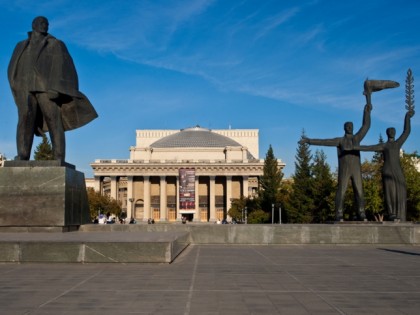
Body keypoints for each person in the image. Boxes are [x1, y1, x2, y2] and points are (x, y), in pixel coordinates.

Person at [8, 16, 97, 162]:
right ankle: (22, 154)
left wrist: (57, 87)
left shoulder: (55, 44)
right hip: (25, 88)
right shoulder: (21, 45)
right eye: (42, 23)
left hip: (46, 88)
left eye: (47, 24)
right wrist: (15, 85)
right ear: (34, 25)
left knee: (53, 120)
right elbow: (12, 67)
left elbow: (62, 66)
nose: (45, 26)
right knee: (24, 120)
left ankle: (58, 156)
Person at [300, 103, 372, 221]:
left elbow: (366, 126)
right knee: (341, 191)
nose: (349, 128)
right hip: (344, 169)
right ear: (344, 128)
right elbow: (324, 141)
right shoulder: (340, 140)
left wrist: (367, 112)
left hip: (356, 169)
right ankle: (339, 213)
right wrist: (309, 141)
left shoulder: (357, 138)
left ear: (353, 128)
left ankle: (361, 213)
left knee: (359, 191)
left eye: (351, 126)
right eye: (347, 126)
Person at [353, 110, 415, 221]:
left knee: (401, 190)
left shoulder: (397, 143)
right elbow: (369, 147)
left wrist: (407, 117)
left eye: (393, 130)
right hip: (388, 171)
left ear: (394, 133)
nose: (391, 132)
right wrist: (355, 147)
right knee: (389, 192)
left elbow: (406, 131)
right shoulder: (384, 145)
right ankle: (391, 213)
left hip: (397, 170)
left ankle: (400, 214)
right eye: (390, 131)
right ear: (387, 133)